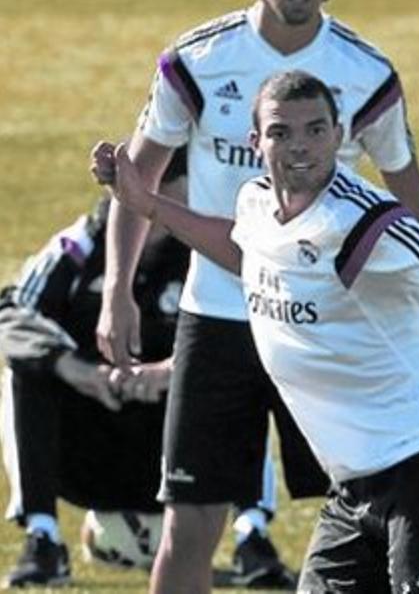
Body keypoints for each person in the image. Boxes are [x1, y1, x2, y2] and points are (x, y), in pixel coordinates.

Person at [96, 0, 419, 591]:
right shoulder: (198, 60)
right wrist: (118, 289)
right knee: (190, 526)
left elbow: (411, 199)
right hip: (219, 318)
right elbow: (134, 183)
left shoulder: (366, 75)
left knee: (370, 509)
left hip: (326, 325)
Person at [93, 70, 419, 592]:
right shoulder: (256, 202)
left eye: (316, 130)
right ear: (255, 142)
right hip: (351, 487)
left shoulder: (366, 221)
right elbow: (243, 248)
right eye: (281, 132)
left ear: (339, 136)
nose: (301, 146)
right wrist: (149, 205)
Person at [0, 152, 296, 589]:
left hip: (179, 455)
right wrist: (77, 369)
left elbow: (261, 326)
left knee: (245, 374)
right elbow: (10, 313)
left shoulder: (205, 252)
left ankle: (253, 537)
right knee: (25, 369)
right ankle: (42, 540)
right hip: (86, 451)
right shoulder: (79, 246)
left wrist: (170, 374)